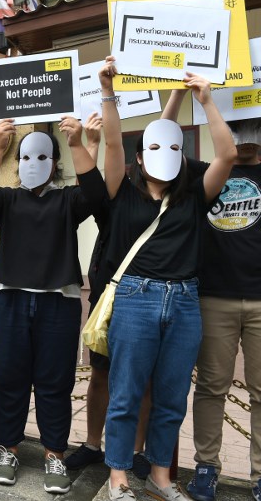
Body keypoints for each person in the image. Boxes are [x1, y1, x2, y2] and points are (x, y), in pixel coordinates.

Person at [97, 57, 235, 501]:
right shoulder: (123, 194)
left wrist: (206, 101)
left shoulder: (193, 196)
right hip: (136, 298)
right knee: (127, 393)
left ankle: (159, 475)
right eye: (153, 150)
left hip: (185, 302)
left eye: (175, 150)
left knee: (172, 396)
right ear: (139, 159)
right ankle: (118, 477)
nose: (165, 155)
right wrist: (107, 91)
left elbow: (228, 153)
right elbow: (115, 144)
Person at [0, 116, 105, 494]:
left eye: (42, 156)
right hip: (9, 300)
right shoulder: (7, 199)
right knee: (11, 379)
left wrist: (79, 143)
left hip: (57, 304)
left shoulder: (68, 200)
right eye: (26, 157)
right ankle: (9, 449)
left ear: (53, 162)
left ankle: (54, 455)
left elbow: (95, 194)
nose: (33, 163)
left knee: (54, 383)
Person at [167, 114, 261, 501]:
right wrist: (198, 97)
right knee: (210, 387)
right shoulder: (206, 172)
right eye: (236, 126)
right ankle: (207, 465)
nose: (245, 136)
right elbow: (165, 137)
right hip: (213, 297)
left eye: (254, 126)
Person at [65, 117, 152, 481]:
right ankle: (91, 443)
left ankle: (136, 450)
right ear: (137, 161)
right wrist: (91, 140)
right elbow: (94, 179)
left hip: (149, 299)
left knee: (144, 379)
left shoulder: (174, 200)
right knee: (99, 374)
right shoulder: (112, 198)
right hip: (108, 299)